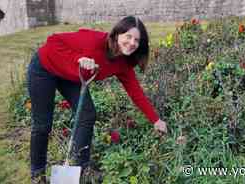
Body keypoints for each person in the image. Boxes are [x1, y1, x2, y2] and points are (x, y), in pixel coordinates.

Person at [27, 16, 168, 183]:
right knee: (43, 124)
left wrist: (155, 120)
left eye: (137, 40)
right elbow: (53, 41)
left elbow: (135, 92)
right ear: (117, 34)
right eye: (128, 37)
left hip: (71, 77)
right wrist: (77, 59)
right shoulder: (94, 41)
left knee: (87, 114)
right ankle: (37, 173)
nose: (132, 43)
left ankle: (81, 168)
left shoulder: (123, 62)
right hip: (45, 66)